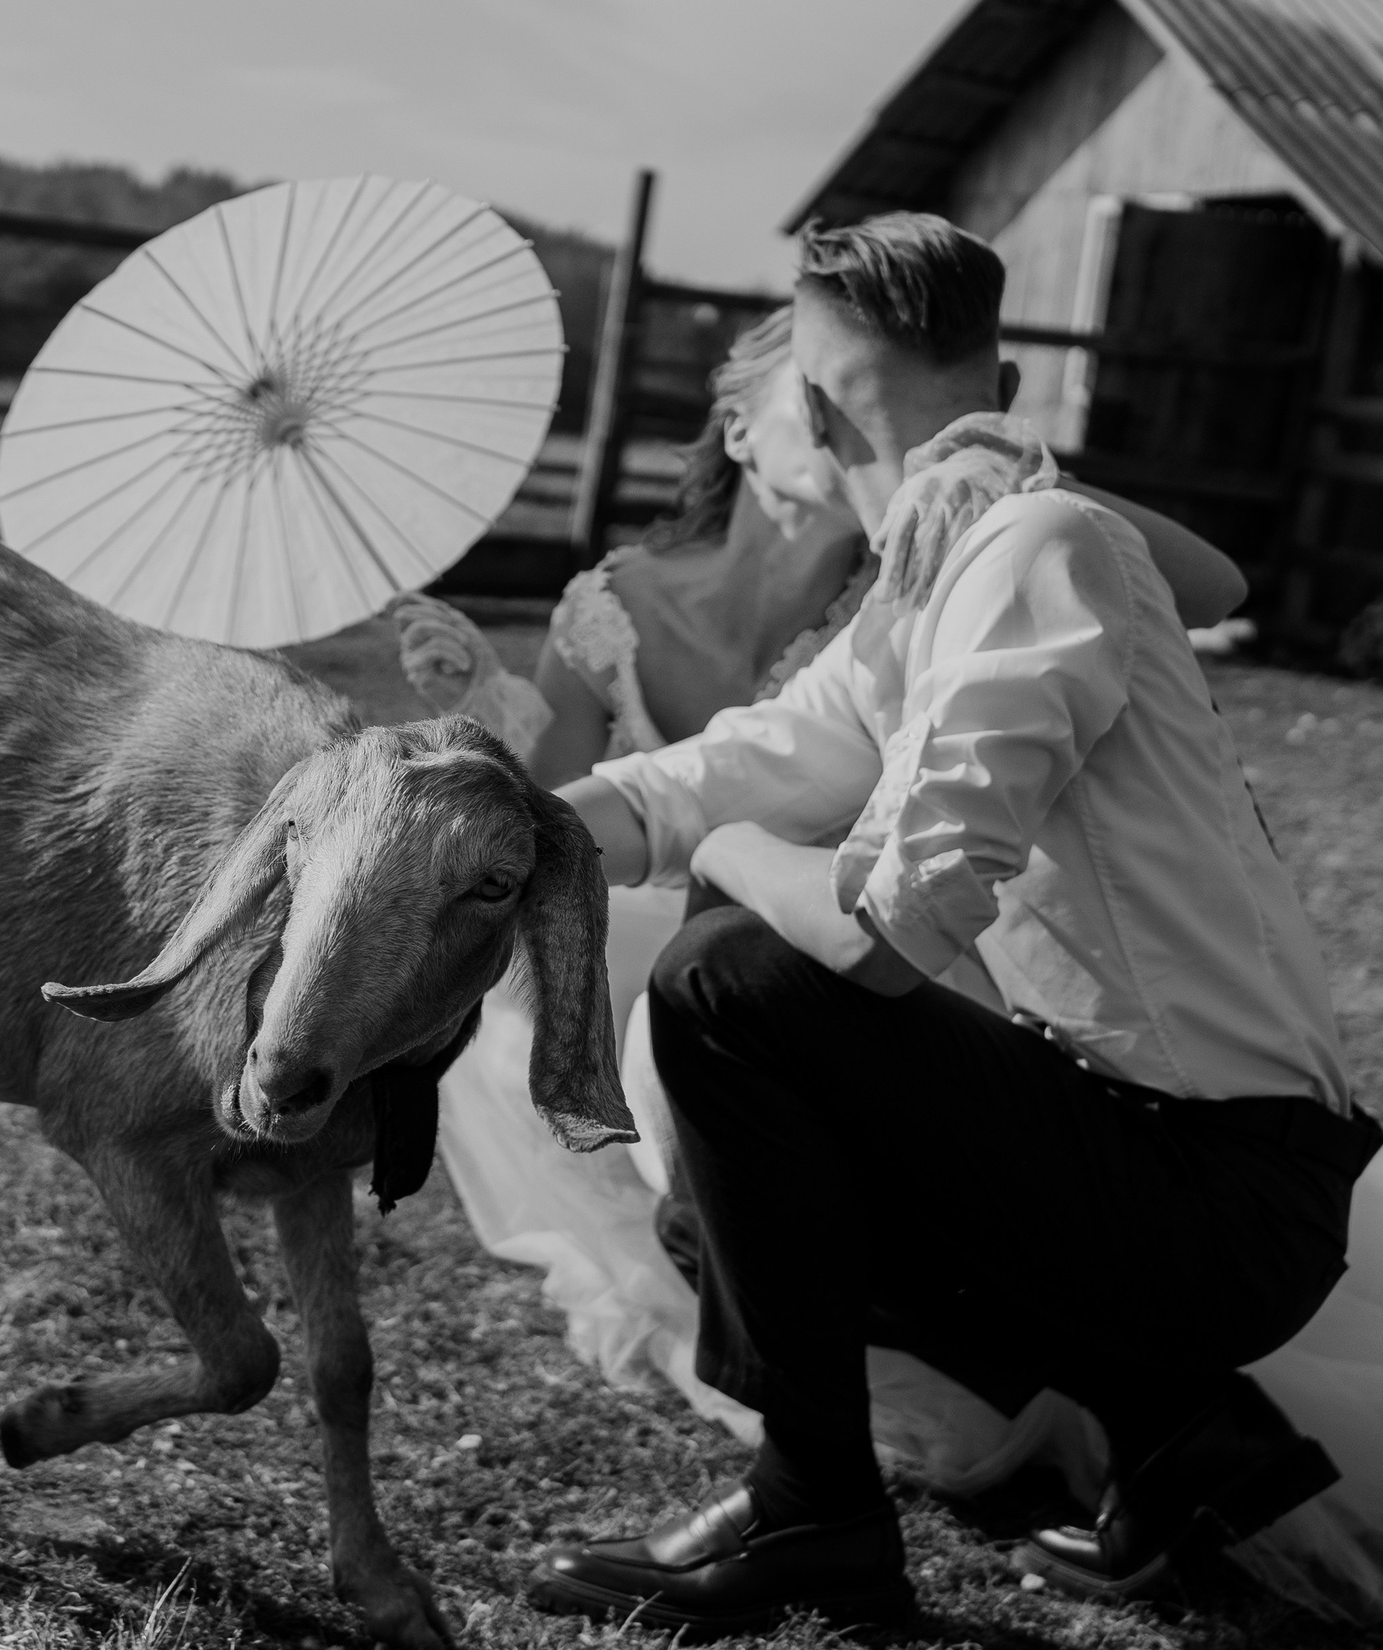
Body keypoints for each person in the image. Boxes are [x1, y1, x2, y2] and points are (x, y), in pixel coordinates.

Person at [518, 212, 1383, 1634]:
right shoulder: (929, 578)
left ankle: (817, 1515)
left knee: (729, 985)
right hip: (1136, 1150)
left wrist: (726, 850)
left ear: (818, 406)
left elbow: (884, 932)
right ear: (1010, 388)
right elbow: (738, 757)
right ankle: (1175, 1430)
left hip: (1221, 1195)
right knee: (705, 1201)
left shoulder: (1038, 551)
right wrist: (495, 814)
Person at [386, 307, 1251, 1454]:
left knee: (741, 992)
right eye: (825, 396)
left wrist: (1009, 464)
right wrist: (477, 708)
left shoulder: (943, 546)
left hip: (878, 919)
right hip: (724, 914)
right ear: (740, 432)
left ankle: (861, 1352)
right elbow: (563, 804)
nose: (868, 424)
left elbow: (1213, 585)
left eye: (877, 397)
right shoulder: (618, 601)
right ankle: (770, 1312)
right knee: (631, 983)